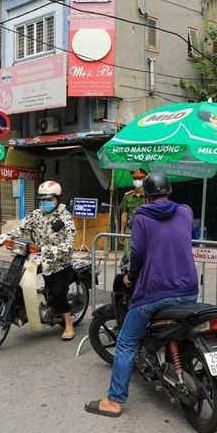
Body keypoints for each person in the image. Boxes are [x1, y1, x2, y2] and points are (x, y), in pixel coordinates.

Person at [85, 172, 198, 417]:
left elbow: (137, 254)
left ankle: (114, 401)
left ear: (145, 195)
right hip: (189, 290)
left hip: (155, 292)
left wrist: (131, 277)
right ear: (169, 191)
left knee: (126, 342)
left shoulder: (142, 216)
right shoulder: (185, 212)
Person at [0, 180, 78, 340]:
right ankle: (25, 307)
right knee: (19, 276)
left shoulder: (65, 217)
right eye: (43, 199)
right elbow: (20, 227)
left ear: (57, 198)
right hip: (38, 256)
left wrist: (48, 250)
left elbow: (68, 243)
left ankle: (68, 323)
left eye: (49, 199)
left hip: (59, 260)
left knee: (58, 292)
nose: (45, 202)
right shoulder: (36, 214)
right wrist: (6, 237)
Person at [119, 169, 148, 263]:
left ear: (144, 180)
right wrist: (122, 232)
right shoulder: (128, 196)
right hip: (130, 231)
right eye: (135, 178)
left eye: (139, 178)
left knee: (144, 257)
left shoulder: (149, 196)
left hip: (145, 231)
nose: (137, 181)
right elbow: (124, 214)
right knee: (127, 256)